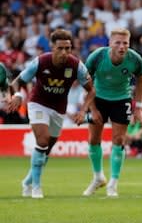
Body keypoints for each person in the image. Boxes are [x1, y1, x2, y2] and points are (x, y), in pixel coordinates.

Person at [7, 29, 96, 198]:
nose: (64, 52)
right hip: (38, 103)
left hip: (58, 109)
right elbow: (18, 81)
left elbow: (91, 91)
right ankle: (36, 187)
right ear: (52, 47)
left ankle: (27, 181)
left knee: (47, 149)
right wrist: (18, 95)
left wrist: (83, 110)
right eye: (60, 48)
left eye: (68, 48)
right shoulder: (40, 62)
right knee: (42, 140)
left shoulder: (76, 65)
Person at [83, 28, 142, 197]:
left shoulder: (135, 59)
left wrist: (138, 108)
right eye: (117, 42)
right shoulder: (97, 57)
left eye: (125, 43)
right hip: (98, 98)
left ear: (129, 44)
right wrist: (92, 108)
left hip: (121, 99)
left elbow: (140, 80)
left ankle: (113, 183)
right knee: (93, 139)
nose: (121, 46)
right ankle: (98, 177)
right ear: (110, 43)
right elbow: (85, 82)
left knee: (119, 140)